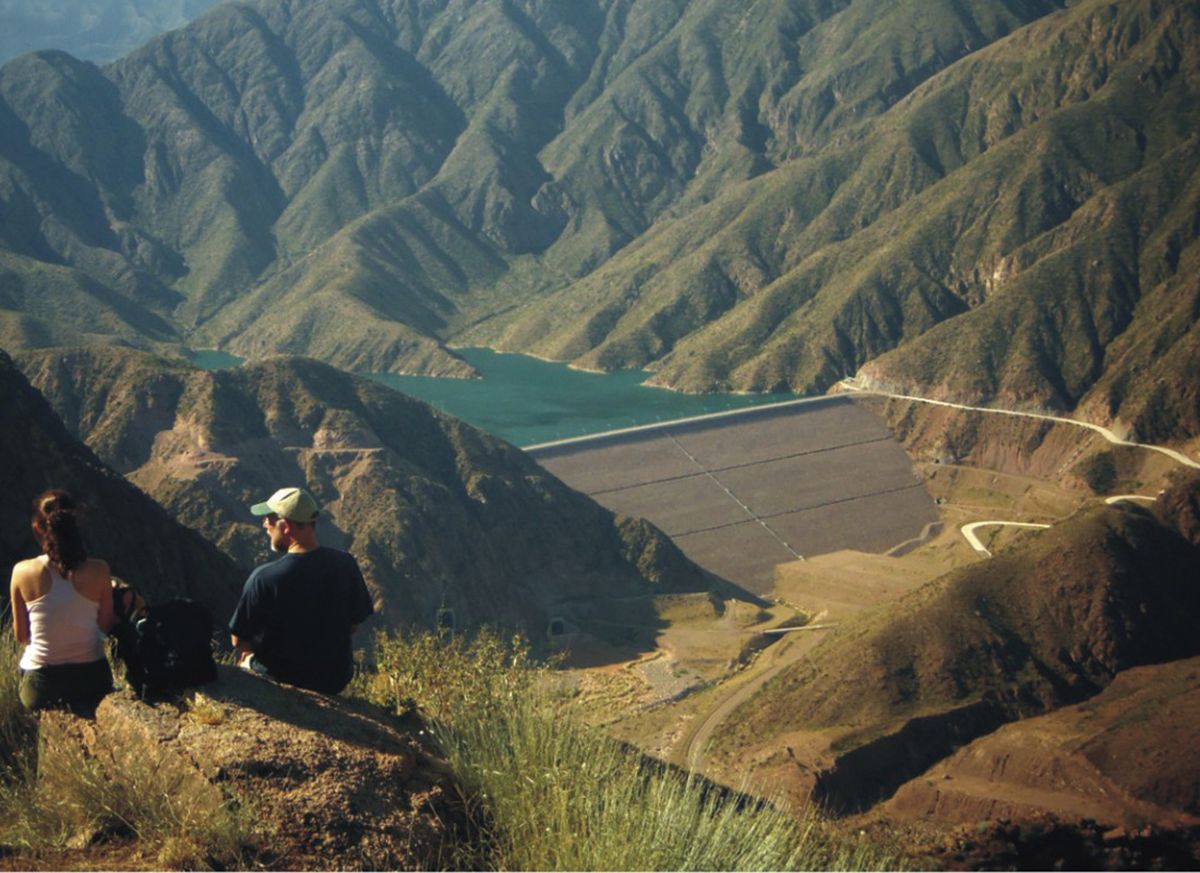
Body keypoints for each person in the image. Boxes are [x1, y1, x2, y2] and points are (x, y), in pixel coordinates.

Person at [228, 487, 374, 694]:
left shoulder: (265, 578)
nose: (264, 525)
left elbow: (239, 639)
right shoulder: (345, 564)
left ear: (285, 526)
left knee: (245, 657)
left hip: (282, 677)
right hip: (335, 678)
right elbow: (353, 624)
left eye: (269, 519)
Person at [10, 490, 114, 714]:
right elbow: (105, 626)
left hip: (42, 687)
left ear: (38, 527)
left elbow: (22, 637)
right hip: (93, 681)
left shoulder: (22, 572)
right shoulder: (100, 569)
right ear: (75, 523)